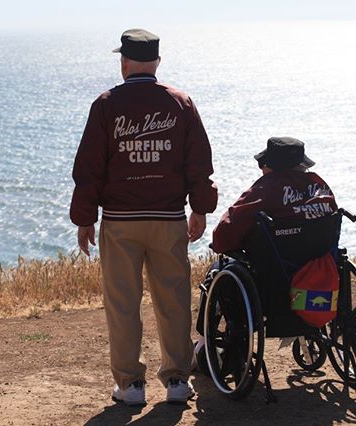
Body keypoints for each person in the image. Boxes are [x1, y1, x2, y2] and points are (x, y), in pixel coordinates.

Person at [70, 28, 217, 406]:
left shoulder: (105, 104)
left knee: (122, 304)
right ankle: (177, 381)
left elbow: (89, 169)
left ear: (123, 62)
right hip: (169, 219)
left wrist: (85, 218)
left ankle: (130, 386)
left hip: (120, 221)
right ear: (157, 62)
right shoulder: (181, 103)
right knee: (173, 301)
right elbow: (199, 163)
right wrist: (199, 208)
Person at [211, 137, 337, 254]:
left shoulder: (264, 190)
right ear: (303, 165)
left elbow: (223, 235)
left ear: (270, 166)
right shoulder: (320, 187)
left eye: (262, 164)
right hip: (321, 263)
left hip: (278, 268)